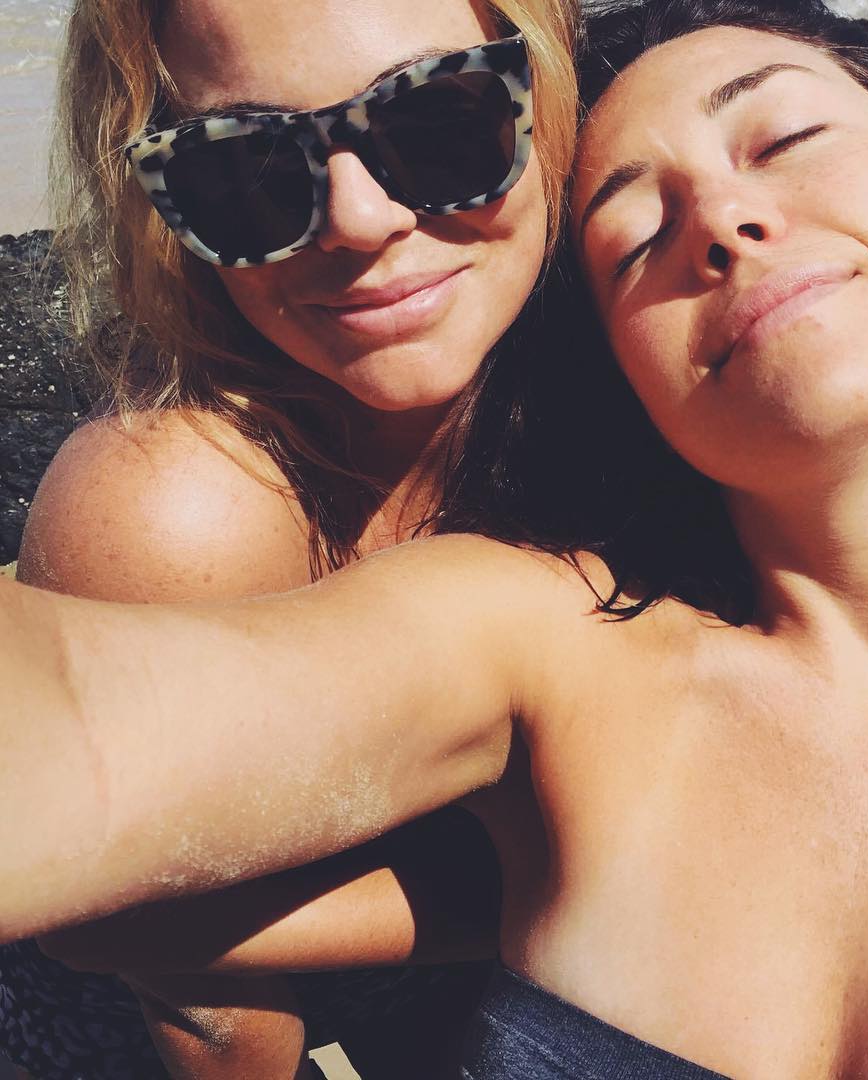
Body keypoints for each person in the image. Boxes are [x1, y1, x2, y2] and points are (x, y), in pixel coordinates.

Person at [3, 0, 868, 1076]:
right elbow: (82, 757)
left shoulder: (586, 501)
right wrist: (538, 873)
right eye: (636, 234)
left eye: (439, 118)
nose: (723, 221)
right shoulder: (535, 629)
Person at [0, 0, 577, 1076]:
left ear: (546, 95)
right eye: (246, 166)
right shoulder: (176, 515)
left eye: (439, 118)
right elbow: (188, 991)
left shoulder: (623, 380)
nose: (358, 219)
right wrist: (548, 897)